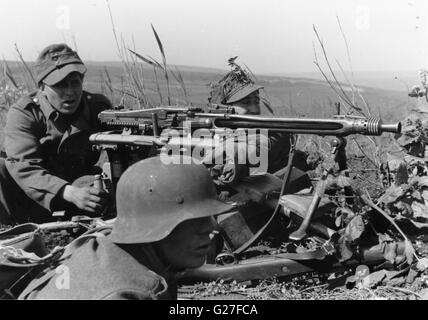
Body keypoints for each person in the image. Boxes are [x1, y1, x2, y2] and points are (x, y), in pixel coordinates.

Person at [19, 156, 235, 300]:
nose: (212, 226)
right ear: (154, 226)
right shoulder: (129, 291)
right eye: (196, 219)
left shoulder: (104, 244)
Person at [0, 44, 112, 225]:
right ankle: (12, 232)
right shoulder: (24, 113)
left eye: (75, 82)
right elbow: (24, 167)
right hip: (35, 195)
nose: (70, 92)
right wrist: (69, 192)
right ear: (42, 87)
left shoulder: (97, 107)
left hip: (82, 190)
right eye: (59, 85)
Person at [206, 57, 308, 185]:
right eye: (246, 103)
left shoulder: (260, 133)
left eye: (256, 101)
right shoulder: (211, 137)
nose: (254, 109)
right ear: (224, 108)